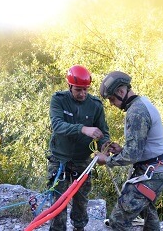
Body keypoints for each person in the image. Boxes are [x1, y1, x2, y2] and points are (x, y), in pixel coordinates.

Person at [97, 71, 163, 231]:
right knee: (147, 208)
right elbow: (140, 147)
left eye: (111, 99)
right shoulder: (141, 103)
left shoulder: (136, 113)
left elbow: (133, 155)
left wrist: (107, 160)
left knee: (118, 220)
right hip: (158, 167)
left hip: (152, 172)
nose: (111, 103)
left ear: (120, 92)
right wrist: (121, 150)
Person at [46, 65, 111, 231]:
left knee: (81, 201)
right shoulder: (59, 100)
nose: (82, 94)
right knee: (58, 201)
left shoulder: (95, 105)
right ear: (69, 87)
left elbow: (103, 131)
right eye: (78, 90)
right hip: (60, 160)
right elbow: (58, 125)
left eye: (85, 90)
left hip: (82, 161)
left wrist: (105, 146)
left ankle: (79, 228)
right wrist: (83, 128)